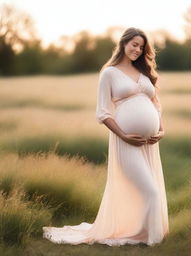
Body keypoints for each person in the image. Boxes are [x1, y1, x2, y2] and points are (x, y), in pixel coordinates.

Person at [42, 27, 169, 247]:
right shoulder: (109, 73)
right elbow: (102, 113)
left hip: (149, 143)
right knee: (150, 189)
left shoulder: (145, 72)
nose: (137, 50)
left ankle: (145, 234)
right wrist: (124, 136)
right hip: (125, 142)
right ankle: (148, 240)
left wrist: (161, 130)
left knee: (147, 190)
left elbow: (156, 105)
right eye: (134, 45)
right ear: (123, 43)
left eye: (141, 47)